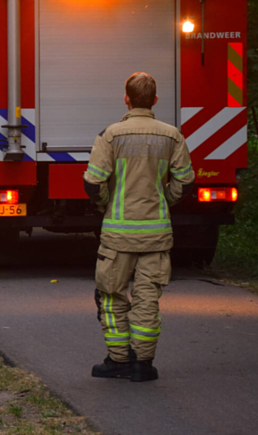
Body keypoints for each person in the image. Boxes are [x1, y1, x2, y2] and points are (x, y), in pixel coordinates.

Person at [83, 72, 194, 382]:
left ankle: (117, 360)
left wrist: (107, 202)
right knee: (147, 301)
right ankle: (142, 365)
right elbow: (185, 180)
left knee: (110, 295)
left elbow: (93, 181)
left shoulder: (111, 135)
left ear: (126, 98)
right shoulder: (171, 135)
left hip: (117, 237)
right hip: (156, 236)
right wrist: (164, 200)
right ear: (155, 100)